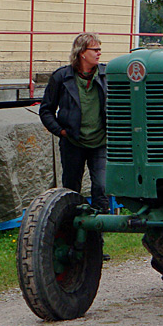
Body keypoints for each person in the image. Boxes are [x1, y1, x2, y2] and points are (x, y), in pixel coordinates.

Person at [39, 32, 110, 212]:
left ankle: (100, 229)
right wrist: (61, 131)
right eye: (95, 49)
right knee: (71, 189)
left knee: (102, 186)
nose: (99, 53)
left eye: (100, 49)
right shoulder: (61, 77)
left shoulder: (106, 75)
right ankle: (70, 226)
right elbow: (46, 110)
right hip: (72, 143)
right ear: (82, 52)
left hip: (101, 142)